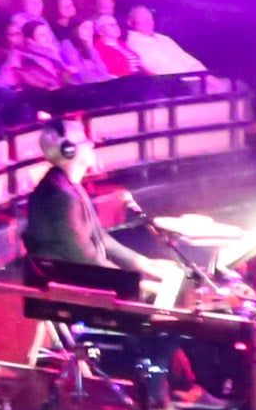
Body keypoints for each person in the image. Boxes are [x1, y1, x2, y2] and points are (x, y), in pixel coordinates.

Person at [24, 129, 180, 303]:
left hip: (83, 278)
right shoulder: (61, 196)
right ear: (69, 150)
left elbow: (100, 237)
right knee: (162, 303)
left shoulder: (67, 185)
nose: (91, 144)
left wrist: (142, 262)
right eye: (84, 140)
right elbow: (85, 257)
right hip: (72, 288)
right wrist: (135, 283)